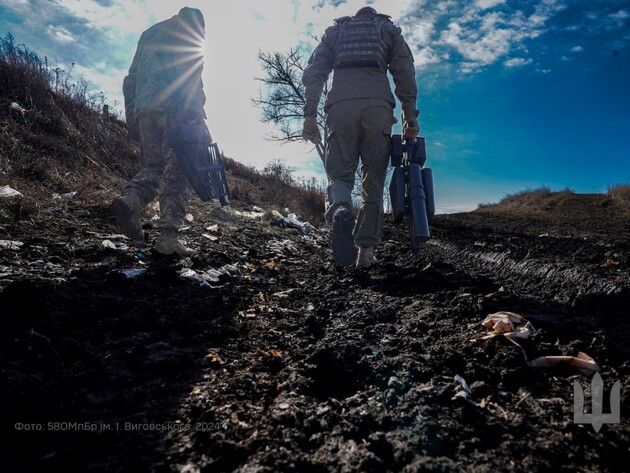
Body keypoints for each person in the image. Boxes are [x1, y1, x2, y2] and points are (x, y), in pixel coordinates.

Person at [301, 6, 419, 268]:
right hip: (378, 107)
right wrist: (410, 115)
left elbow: (315, 73)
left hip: (341, 105)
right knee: (372, 181)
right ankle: (365, 253)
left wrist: (309, 115)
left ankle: (341, 209)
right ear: (374, 15)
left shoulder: (336, 31)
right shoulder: (388, 30)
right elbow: (404, 71)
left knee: (340, 176)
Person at [111, 7, 206, 256]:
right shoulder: (187, 30)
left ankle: (131, 201)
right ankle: (168, 239)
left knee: (154, 167)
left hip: (145, 112)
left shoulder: (149, 34)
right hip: (174, 110)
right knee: (180, 172)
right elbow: (191, 73)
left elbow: (130, 79)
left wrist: (132, 120)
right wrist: (195, 108)